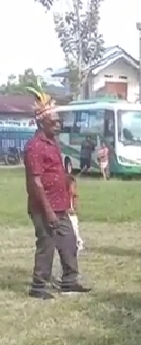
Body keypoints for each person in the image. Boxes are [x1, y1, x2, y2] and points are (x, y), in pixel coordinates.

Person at [24, 85, 90, 299]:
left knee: (69, 241)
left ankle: (70, 281)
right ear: (42, 122)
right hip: (44, 207)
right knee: (46, 244)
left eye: (59, 121)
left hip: (60, 203)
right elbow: (36, 182)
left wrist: (67, 182)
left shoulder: (53, 143)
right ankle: (38, 286)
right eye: (54, 122)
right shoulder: (35, 146)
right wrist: (49, 211)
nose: (59, 125)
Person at [67, 175, 84, 252]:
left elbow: (75, 206)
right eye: (73, 187)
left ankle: (78, 242)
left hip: (72, 216)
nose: (74, 189)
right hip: (67, 215)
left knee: (74, 228)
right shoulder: (65, 195)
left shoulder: (74, 197)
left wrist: (75, 209)